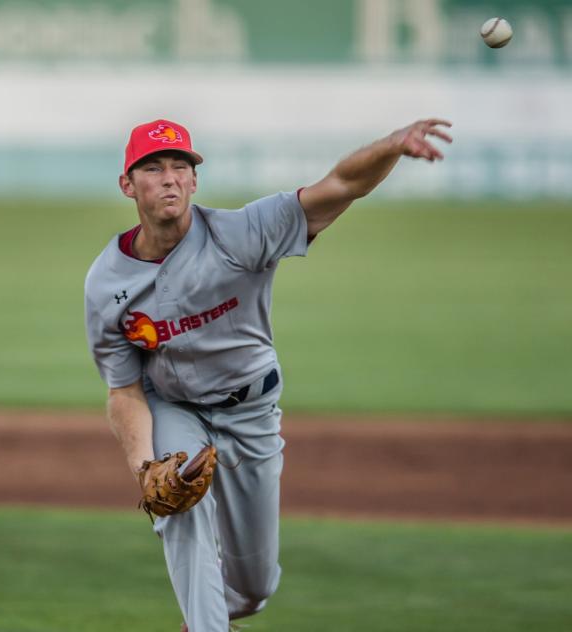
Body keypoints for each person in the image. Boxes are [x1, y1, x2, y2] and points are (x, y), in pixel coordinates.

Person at [84, 117, 452, 631]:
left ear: (194, 181)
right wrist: (146, 468)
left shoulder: (242, 233)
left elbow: (340, 186)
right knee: (180, 505)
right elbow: (123, 390)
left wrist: (391, 146)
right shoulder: (107, 282)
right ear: (128, 185)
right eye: (153, 167)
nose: (169, 178)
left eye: (179, 166)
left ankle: (213, 613)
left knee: (254, 588)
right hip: (174, 406)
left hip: (251, 410)